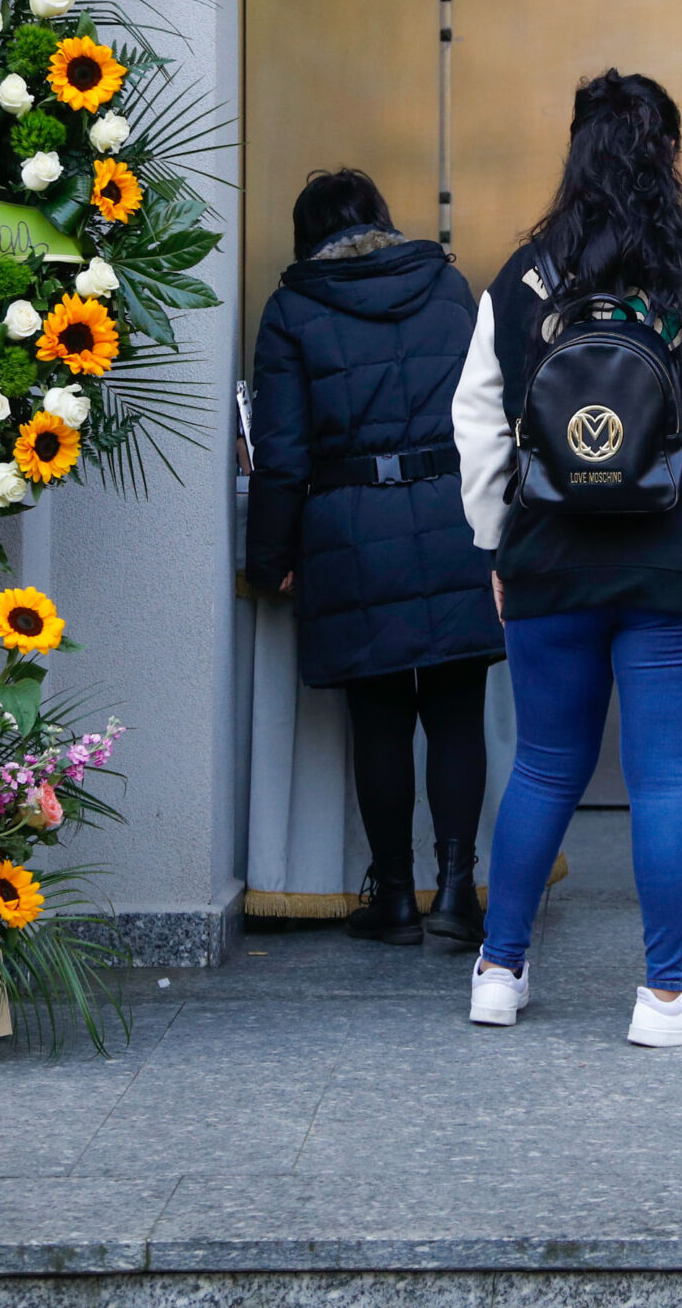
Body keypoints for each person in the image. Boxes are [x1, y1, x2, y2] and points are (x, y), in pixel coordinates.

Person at [452, 70, 682, 1047]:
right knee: (661, 780)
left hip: (548, 558)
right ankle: (665, 995)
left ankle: (498, 969)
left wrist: (497, 543)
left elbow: (478, 425)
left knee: (542, 767)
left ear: (574, 151)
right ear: (673, 157)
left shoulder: (524, 278)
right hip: (679, 554)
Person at [246, 169, 504, 948]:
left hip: (354, 532)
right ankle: (458, 892)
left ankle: (393, 896)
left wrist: (269, 557)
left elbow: (282, 454)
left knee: (382, 717)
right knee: (459, 713)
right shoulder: (448, 287)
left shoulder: (292, 308)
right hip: (456, 515)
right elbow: (491, 412)